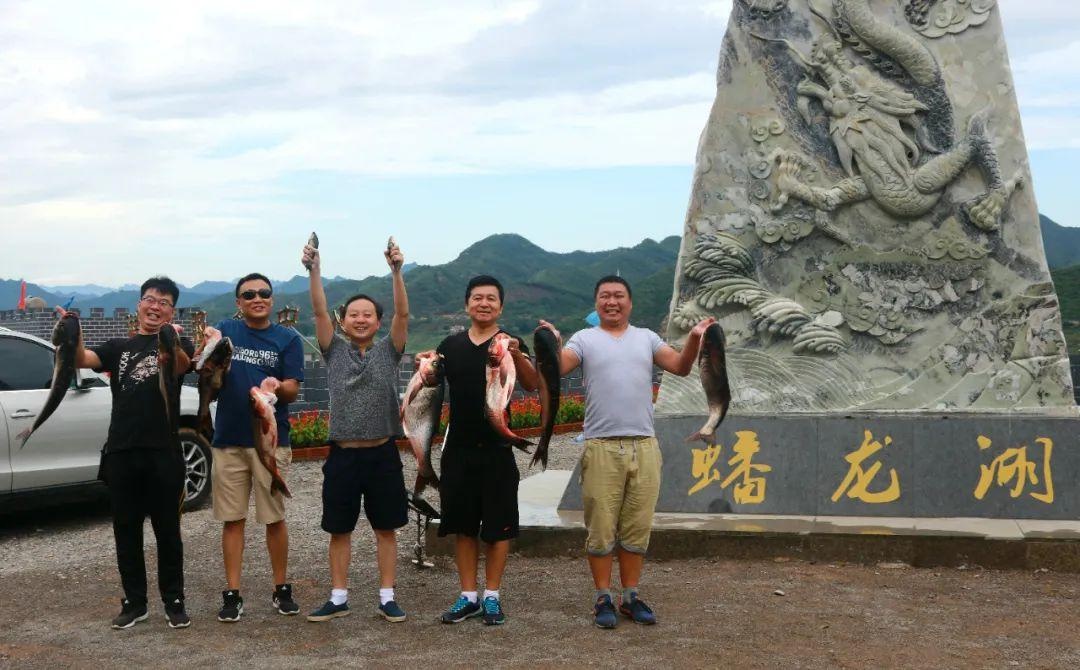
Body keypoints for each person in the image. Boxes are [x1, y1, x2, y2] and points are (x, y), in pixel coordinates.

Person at [542, 275, 713, 629]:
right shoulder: (584, 340)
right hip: (602, 447)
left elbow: (681, 367)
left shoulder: (647, 338)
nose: (612, 301)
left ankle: (630, 596)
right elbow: (556, 368)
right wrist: (549, 345)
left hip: (644, 446)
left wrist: (695, 339)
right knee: (601, 528)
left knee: (637, 527)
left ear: (629, 303)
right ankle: (602, 596)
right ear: (596, 303)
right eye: (605, 296)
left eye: (619, 296)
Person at [68, 276, 194, 629]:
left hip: (164, 453)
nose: (155, 306)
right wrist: (71, 327)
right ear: (139, 304)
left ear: (171, 310)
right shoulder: (118, 346)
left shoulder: (177, 340)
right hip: (122, 452)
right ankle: (135, 602)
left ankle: (174, 600)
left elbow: (183, 364)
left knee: (168, 530)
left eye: (164, 302)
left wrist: (173, 340)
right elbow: (80, 358)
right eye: (150, 299)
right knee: (126, 531)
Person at [302, 238, 413, 623]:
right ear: (343, 320)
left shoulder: (390, 350)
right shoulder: (333, 349)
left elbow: (403, 314)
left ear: (378, 323)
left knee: (386, 528)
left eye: (368, 314)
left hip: (382, 453)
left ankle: (387, 596)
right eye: (354, 314)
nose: (361, 319)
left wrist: (397, 271)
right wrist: (315, 270)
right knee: (339, 530)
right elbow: (317, 308)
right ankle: (338, 596)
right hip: (343, 455)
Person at [429, 275, 538, 626]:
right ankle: (468, 596)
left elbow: (533, 383)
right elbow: (430, 381)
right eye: (477, 297)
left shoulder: (509, 344)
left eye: (491, 298)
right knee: (462, 527)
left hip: (497, 449)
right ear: (467, 304)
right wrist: (426, 363)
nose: (484, 303)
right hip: (457, 449)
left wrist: (518, 353)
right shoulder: (450, 344)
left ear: (501, 306)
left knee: (499, 527)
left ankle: (492, 595)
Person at [200, 273, 305, 622]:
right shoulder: (226, 330)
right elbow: (205, 365)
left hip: (270, 440)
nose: (257, 298)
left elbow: (292, 388)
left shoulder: (287, 338)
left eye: (263, 293)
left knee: (274, 518)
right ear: (238, 302)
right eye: (248, 294)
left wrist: (278, 386)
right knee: (233, 520)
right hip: (228, 439)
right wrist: (208, 343)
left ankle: (281, 588)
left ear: (272, 300)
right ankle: (232, 593)